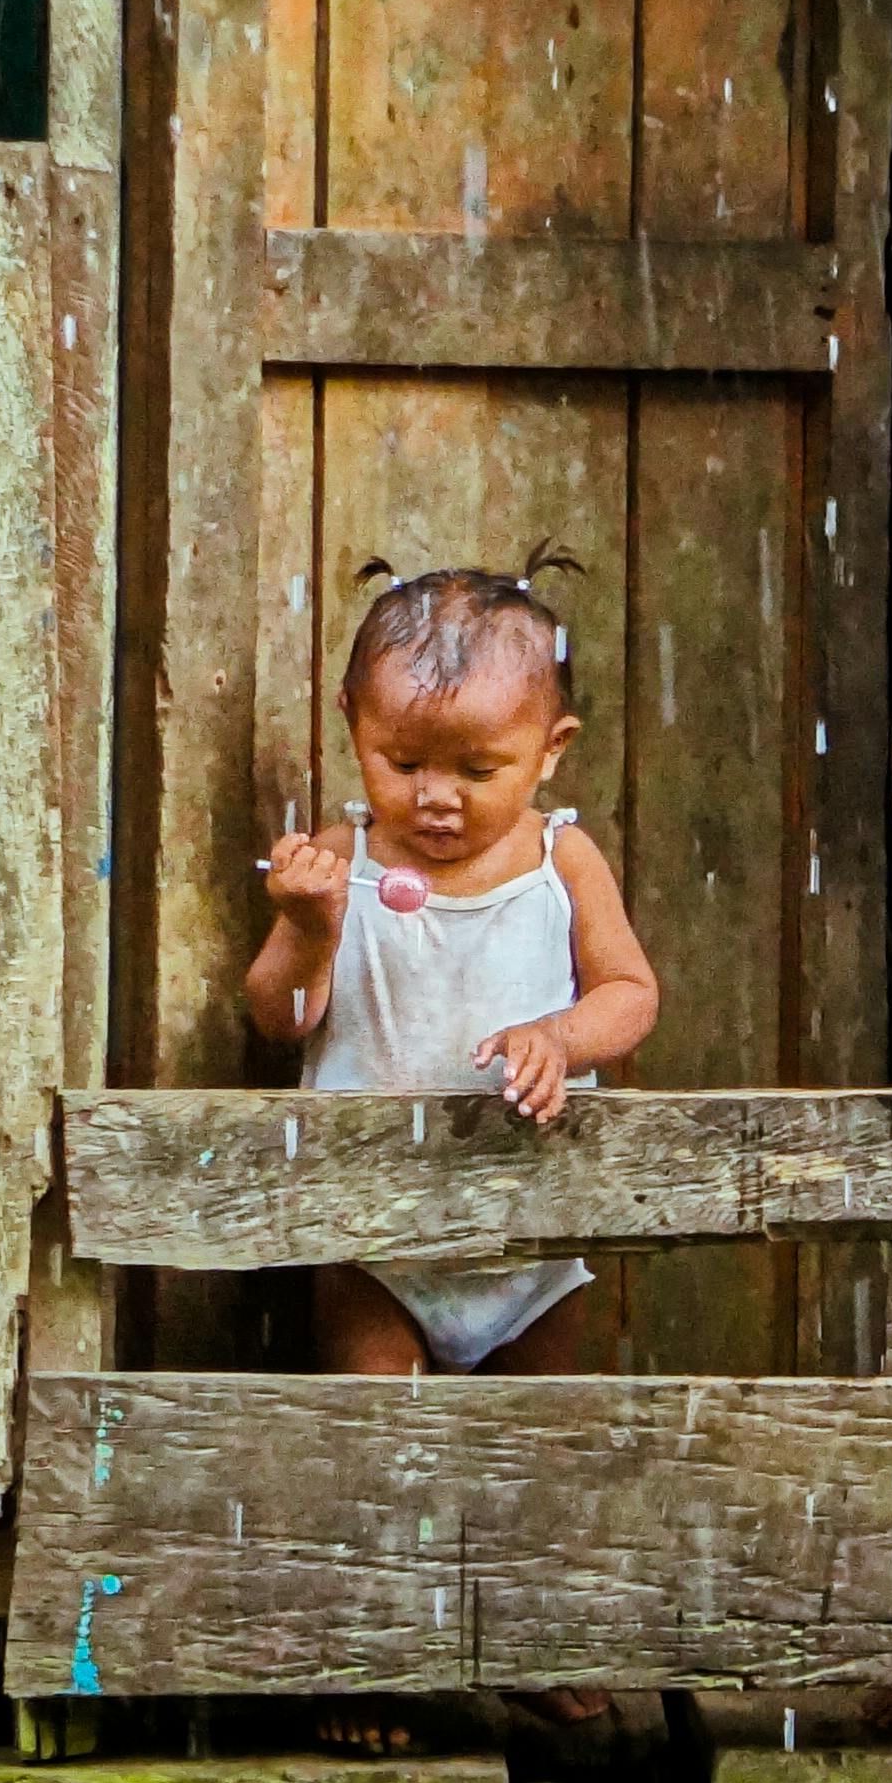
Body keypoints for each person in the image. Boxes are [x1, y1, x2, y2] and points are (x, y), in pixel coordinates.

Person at [242, 552, 660, 1381]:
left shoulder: (560, 859)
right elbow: (278, 1016)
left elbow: (632, 994)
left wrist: (559, 1037)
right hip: (374, 1229)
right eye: (403, 764)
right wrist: (308, 927)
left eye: (477, 770)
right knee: (380, 1428)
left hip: (531, 1224)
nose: (437, 796)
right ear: (352, 721)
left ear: (550, 749)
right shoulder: (340, 862)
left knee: (534, 1442)